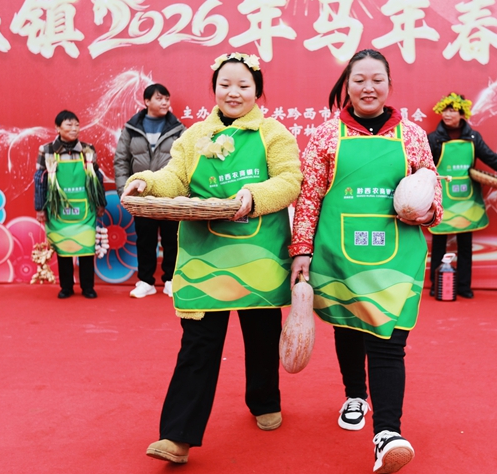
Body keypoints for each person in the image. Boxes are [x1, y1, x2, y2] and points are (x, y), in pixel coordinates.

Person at [121, 52, 302, 464]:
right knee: (198, 344)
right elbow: (175, 178)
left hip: (258, 254)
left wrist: (253, 196)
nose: (233, 93)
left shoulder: (273, 132)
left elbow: (290, 179)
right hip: (205, 258)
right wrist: (146, 182)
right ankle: (177, 435)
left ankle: (263, 399)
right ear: (214, 89)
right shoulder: (193, 136)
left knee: (261, 334)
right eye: (225, 85)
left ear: (258, 89)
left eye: (243, 85)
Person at [289, 49, 441, 474]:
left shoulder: (411, 135)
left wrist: (428, 211)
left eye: (377, 79)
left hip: (396, 254)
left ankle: (387, 433)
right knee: (349, 325)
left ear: (389, 85)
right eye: (359, 80)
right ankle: (355, 393)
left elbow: (433, 190)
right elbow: (309, 197)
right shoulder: (325, 135)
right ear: (347, 85)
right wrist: (302, 248)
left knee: (389, 339)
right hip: (339, 251)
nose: (368, 87)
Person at [426, 92, 497, 298]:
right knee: (439, 244)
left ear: (463, 114)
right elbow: (423, 166)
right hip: (443, 199)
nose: (447, 114)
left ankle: (464, 286)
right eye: (445, 110)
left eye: (452, 110)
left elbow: (493, 160)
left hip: (467, 200)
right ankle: (437, 284)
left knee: (465, 245)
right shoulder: (433, 139)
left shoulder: (473, 138)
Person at [114, 83, 185, 298]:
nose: (165, 102)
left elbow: (186, 161)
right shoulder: (131, 128)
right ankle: (146, 281)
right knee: (145, 239)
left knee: (172, 238)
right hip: (141, 196)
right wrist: (125, 192)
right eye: (159, 98)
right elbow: (121, 161)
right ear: (146, 101)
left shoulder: (179, 129)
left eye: (167, 98)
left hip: (170, 195)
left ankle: (171, 280)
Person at [34, 110, 106, 299]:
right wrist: (40, 208)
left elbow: (97, 177)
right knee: (63, 248)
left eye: (76, 125)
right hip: (58, 208)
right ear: (57, 127)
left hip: (85, 207)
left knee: (86, 247)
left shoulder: (88, 149)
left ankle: (88, 287)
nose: (74, 129)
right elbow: (40, 179)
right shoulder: (47, 150)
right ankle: (66, 287)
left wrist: (100, 203)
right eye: (69, 125)